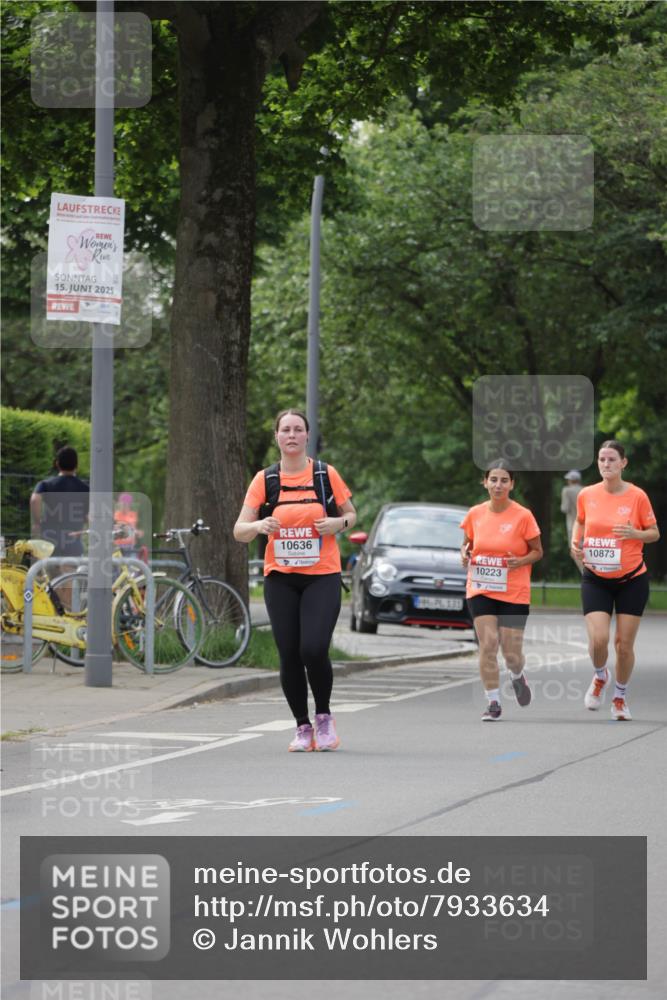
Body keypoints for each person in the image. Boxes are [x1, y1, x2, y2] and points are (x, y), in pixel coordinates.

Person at [234, 409, 356, 752]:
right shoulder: (265, 480)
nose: (291, 435)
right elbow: (239, 530)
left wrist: (338, 525)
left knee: (313, 648)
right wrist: (259, 526)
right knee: (288, 653)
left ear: (307, 436)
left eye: (297, 429)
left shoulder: (324, 474)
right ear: (276, 437)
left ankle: (324, 718)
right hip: (281, 578)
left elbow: (350, 514)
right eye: (285, 430)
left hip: (322, 575)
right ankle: (302, 727)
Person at [571, 440, 659, 721]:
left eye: (611, 459)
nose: (605, 464)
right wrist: (576, 541)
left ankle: (620, 697)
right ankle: (600, 676)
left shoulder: (637, 496)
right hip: (596, 578)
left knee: (623, 645)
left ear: (623, 463)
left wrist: (636, 533)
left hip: (632, 578)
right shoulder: (587, 494)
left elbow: (654, 533)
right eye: (601, 459)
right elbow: (581, 520)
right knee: (599, 640)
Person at [460, 460, 543, 721]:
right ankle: (493, 702)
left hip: (514, 591)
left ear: (512, 484)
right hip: (481, 587)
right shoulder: (475, 514)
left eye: (504, 480)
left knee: (511, 654)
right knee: (488, 644)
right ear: (485, 482)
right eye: (493, 479)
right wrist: (464, 556)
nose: (498, 485)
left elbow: (538, 552)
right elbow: (467, 545)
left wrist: (520, 561)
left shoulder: (523, 516)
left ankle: (517, 676)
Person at [30, 446, 89, 563]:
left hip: (49, 539)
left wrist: (37, 523)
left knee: (50, 577)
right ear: (76, 465)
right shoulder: (85, 488)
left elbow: (34, 500)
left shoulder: (46, 484)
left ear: (57, 464)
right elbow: (90, 515)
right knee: (67, 577)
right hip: (73, 540)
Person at [561, 470, 583, 574]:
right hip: (586, 525)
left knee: (574, 551)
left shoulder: (567, 491)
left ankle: (585, 573)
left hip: (573, 525)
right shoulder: (585, 490)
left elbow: (564, 508)